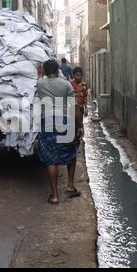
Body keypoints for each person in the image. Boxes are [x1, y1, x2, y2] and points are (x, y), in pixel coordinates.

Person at [36, 60, 84, 205]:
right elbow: (73, 108)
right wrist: (80, 125)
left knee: (51, 159)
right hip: (65, 121)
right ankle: (70, 186)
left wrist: (40, 73)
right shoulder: (66, 84)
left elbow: (39, 78)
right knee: (71, 153)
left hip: (48, 121)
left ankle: (55, 196)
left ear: (45, 72)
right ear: (58, 71)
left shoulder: (40, 84)